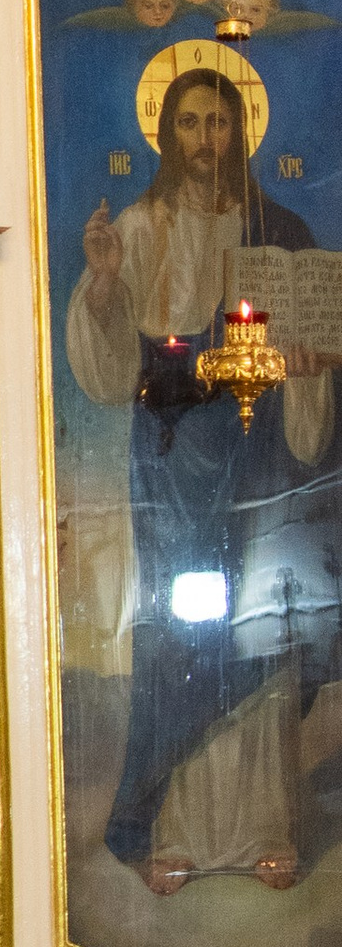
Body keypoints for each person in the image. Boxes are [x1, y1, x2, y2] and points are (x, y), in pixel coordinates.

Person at [66, 62, 341, 890]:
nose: (204, 141)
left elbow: (315, 346)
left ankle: (265, 825)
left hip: (260, 452)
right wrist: (107, 282)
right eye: (188, 124)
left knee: (262, 620)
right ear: (166, 134)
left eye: (218, 124)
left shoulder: (281, 230)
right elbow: (115, 372)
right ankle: (169, 826)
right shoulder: (142, 228)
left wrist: (306, 365)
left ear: (241, 133)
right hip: (172, 452)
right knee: (181, 636)